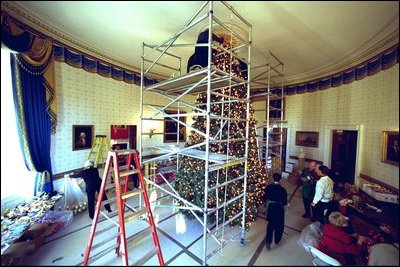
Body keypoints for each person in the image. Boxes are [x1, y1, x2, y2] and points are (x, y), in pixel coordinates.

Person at [264, 173, 289, 250]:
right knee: (279, 225)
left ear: (273, 179)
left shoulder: (268, 187)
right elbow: (284, 202)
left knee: (270, 225)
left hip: (271, 207)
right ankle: (277, 240)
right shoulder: (283, 190)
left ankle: (268, 241)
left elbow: (265, 197)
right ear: (280, 180)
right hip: (279, 208)